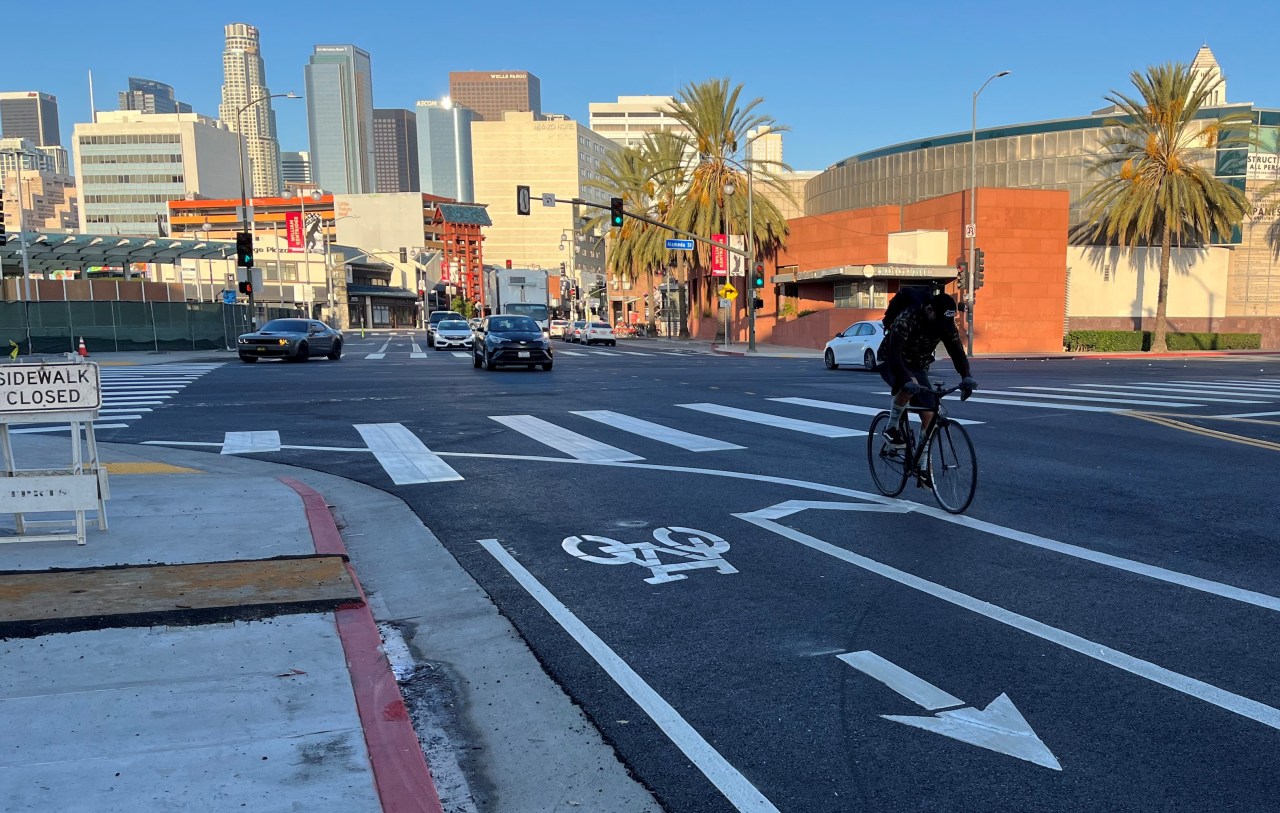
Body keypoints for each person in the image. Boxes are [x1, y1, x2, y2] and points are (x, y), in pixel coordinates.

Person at [876, 289, 977, 448]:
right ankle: (892, 427)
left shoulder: (945, 323)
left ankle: (922, 465)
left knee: (929, 413)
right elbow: (894, 354)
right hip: (890, 360)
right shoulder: (908, 317)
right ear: (929, 309)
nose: (941, 327)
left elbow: (956, 350)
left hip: (918, 365)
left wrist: (966, 375)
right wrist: (906, 380)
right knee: (909, 384)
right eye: (938, 321)